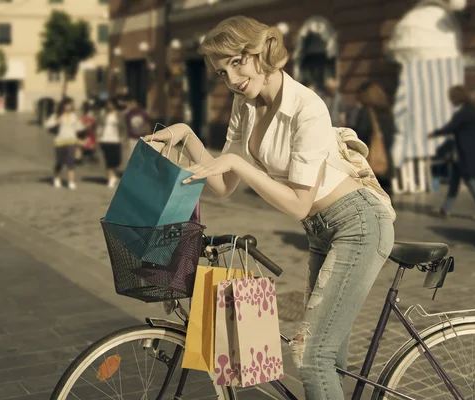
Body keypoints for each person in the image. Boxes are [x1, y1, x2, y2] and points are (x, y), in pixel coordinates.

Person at [142, 16, 395, 400]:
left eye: (237, 62)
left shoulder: (307, 108)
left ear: (260, 51)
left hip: (358, 223)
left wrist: (239, 163)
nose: (232, 78)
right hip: (321, 230)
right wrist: (187, 135)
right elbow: (225, 184)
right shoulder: (245, 104)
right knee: (330, 355)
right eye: (222, 72)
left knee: (312, 355)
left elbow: (298, 203)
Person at [429, 85, 475, 219]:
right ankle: (446, 208)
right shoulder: (472, 110)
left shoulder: (464, 113)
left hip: (465, 152)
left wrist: (435, 133)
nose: (450, 100)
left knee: (470, 181)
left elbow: (451, 127)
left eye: (451, 97)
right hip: (466, 151)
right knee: (454, 180)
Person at [354, 81, 396, 199]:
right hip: (386, 164)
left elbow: (360, 136)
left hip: (371, 165)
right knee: (387, 200)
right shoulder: (388, 112)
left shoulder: (366, 112)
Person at [44, 97, 84, 190]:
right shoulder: (57, 115)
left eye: (70, 105)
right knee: (60, 162)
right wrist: (56, 122)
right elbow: (47, 124)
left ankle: (71, 182)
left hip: (71, 141)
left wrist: (83, 132)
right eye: (67, 105)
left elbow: (79, 127)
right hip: (60, 142)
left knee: (71, 162)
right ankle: (56, 178)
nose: (68, 107)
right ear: (63, 105)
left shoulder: (74, 115)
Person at [98, 98, 124, 188]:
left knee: (116, 160)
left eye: (110, 104)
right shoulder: (103, 114)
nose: (109, 106)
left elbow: (123, 127)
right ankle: (110, 178)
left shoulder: (119, 115)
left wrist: (123, 138)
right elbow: (99, 126)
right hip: (105, 139)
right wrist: (98, 137)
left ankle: (113, 175)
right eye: (108, 104)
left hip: (116, 139)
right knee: (108, 159)